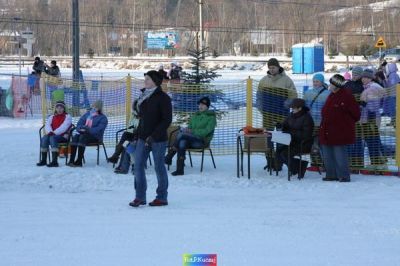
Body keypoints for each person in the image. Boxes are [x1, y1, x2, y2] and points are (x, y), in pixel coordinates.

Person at [129, 70, 172, 207]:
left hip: (157, 139)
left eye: (147, 79)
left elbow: (166, 120)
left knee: (159, 167)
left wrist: (153, 136)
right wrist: (137, 134)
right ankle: (139, 197)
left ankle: (162, 197)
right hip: (142, 137)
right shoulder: (143, 96)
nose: (145, 81)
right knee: (138, 166)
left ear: (155, 81)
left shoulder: (163, 98)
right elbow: (141, 118)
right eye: (145, 79)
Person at [256, 58, 297, 171]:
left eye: (273, 67)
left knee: (280, 139)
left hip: (282, 115)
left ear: (278, 67)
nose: (272, 69)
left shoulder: (287, 80)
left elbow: (293, 95)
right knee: (268, 139)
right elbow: (259, 96)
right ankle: (270, 162)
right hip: (267, 114)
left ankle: (278, 163)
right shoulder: (264, 80)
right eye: (270, 68)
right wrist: (261, 108)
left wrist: (285, 106)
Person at [319, 74, 361, 182]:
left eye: (332, 83)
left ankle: (343, 175)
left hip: (340, 131)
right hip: (327, 130)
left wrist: (345, 122)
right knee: (328, 155)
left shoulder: (347, 96)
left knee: (340, 155)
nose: (329, 85)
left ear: (337, 85)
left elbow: (356, 114)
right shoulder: (331, 95)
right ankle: (331, 174)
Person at [165, 96, 217, 176]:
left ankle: (170, 155)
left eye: (203, 105)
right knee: (182, 142)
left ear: (207, 106)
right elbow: (190, 127)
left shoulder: (211, 118)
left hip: (202, 142)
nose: (200, 106)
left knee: (182, 136)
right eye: (199, 104)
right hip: (190, 139)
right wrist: (187, 129)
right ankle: (180, 170)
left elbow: (206, 132)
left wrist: (192, 131)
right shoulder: (195, 116)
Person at [275, 98, 314, 179]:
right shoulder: (291, 115)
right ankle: (299, 167)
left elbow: (306, 135)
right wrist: (280, 126)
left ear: (300, 108)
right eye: (291, 108)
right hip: (291, 142)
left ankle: (299, 167)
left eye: (293, 108)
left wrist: (290, 133)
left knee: (285, 154)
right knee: (278, 151)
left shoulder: (307, 118)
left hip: (303, 143)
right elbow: (285, 125)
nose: (292, 109)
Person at [359, 68, 387, 171]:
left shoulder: (372, 88)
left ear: (371, 78)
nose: (364, 79)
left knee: (373, 140)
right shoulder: (368, 87)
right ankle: (377, 162)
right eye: (363, 77)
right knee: (372, 140)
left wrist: (362, 105)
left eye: (366, 77)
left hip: (371, 118)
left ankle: (378, 163)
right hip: (369, 117)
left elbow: (372, 104)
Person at [67, 100, 108, 167]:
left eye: (96, 107)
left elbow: (98, 130)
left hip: (95, 137)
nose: (94, 108)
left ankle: (79, 161)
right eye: (93, 106)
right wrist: (81, 128)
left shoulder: (103, 118)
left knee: (82, 137)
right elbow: (79, 123)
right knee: (75, 137)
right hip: (84, 134)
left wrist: (88, 129)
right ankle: (71, 160)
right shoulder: (87, 114)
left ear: (100, 108)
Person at [303, 73, 330, 170]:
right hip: (311, 123)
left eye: (317, 81)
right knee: (312, 144)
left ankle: (325, 164)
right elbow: (304, 107)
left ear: (322, 82)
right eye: (314, 81)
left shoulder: (327, 94)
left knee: (322, 143)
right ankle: (315, 163)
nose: (315, 83)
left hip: (322, 123)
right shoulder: (308, 93)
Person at [37, 101, 72, 167]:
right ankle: (44, 160)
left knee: (53, 138)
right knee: (44, 138)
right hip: (52, 135)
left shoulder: (67, 116)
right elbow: (47, 125)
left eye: (61, 108)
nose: (59, 109)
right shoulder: (52, 117)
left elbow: (64, 127)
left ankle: (54, 161)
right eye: (57, 108)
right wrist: (50, 132)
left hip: (63, 136)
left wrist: (54, 133)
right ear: (55, 109)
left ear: (64, 109)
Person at [344, 66, 364, 171]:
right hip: (347, 116)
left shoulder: (363, 85)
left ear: (361, 75)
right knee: (348, 140)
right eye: (353, 74)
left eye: (357, 75)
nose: (354, 76)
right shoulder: (348, 84)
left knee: (358, 141)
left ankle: (358, 164)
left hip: (358, 116)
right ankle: (349, 163)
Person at [107, 100, 140, 164]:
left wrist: (135, 129)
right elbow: (129, 127)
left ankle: (115, 156)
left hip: (140, 135)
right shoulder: (133, 115)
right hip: (132, 134)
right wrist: (133, 129)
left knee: (125, 141)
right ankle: (116, 156)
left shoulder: (145, 115)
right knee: (125, 136)